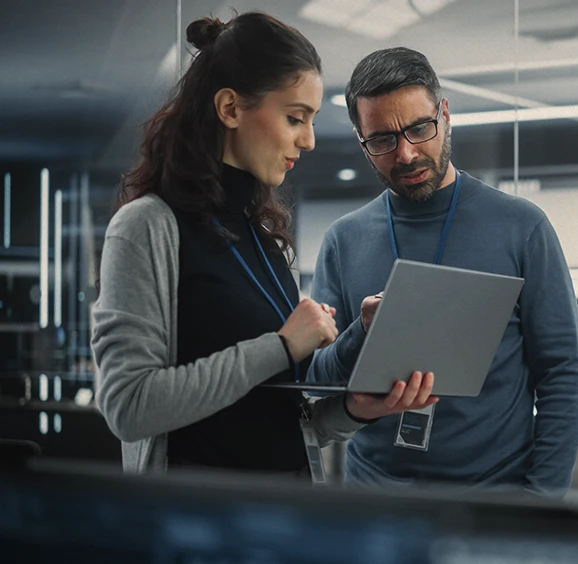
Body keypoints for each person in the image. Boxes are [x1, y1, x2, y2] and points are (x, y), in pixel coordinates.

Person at [91, 14, 435, 476]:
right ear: (230, 108)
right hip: (191, 532)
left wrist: (356, 408)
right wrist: (280, 346)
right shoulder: (146, 228)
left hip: (283, 522)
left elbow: (284, 417)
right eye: (295, 118)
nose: (309, 140)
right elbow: (128, 407)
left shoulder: (266, 240)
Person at [309, 47, 578, 498]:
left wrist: (542, 500)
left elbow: (561, 374)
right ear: (361, 141)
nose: (406, 153)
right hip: (376, 500)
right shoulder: (344, 240)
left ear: (445, 114)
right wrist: (361, 332)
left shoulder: (521, 227)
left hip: (495, 499)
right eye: (381, 140)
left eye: (420, 128)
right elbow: (319, 380)